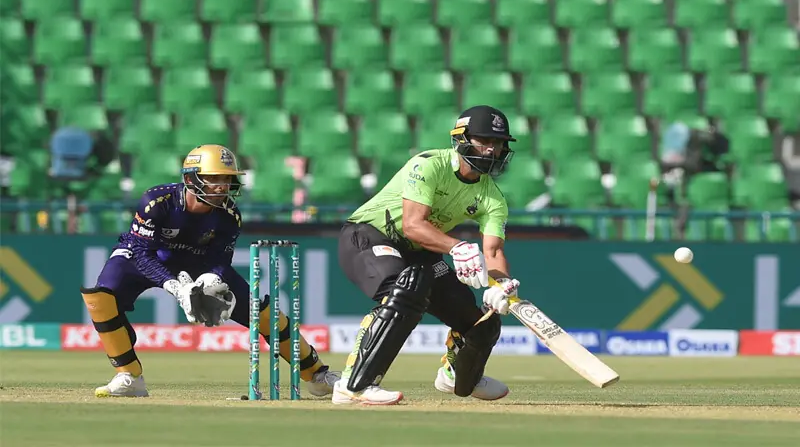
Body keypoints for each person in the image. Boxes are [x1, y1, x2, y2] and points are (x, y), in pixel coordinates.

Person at [81, 144, 340, 397]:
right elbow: (141, 253)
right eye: (213, 178)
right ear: (190, 179)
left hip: (198, 262)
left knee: (261, 313)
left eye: (226, 179)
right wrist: (175, 287)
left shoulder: (229, 215)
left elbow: (220, 259)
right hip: (147, 255)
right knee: (101, 298)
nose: (222, 186)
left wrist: (210, 279)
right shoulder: (157, 202)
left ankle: (317, 375)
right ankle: (129, 376)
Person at [332, 105, 522, 405]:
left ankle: (457, 374)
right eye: (484, 141)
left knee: (482, 323)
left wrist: (501, 285)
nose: (491, 150)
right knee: (405, 291)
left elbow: (494, 250)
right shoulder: (429, 165)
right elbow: (412, 224)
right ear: (461, 139)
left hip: (420, 252)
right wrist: (456, 247)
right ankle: (353, 384)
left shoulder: (493, 198)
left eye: (497, 143)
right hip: (369, 235)